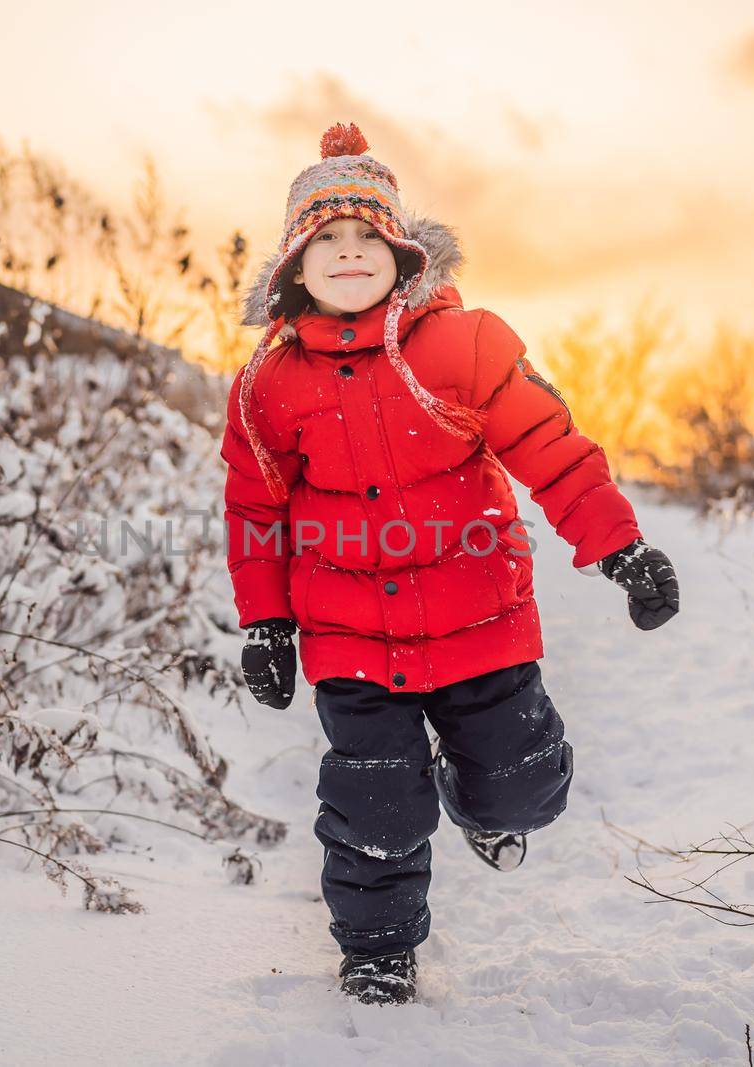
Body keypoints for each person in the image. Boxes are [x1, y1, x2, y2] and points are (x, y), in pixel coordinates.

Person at [220, 122, 680, 1006]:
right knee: (374, 808)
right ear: (294, 267)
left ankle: (478, 810)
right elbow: (255, 509)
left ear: (404, 254)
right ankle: (378, 954)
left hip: (480, 623)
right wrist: (266, 622)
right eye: (327, 241)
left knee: (522, 789)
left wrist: (619, 546)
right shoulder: (267, 388)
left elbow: (552, 446)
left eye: (367, 238)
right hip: (351, 635)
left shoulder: (464, 346)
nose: (349, 255)